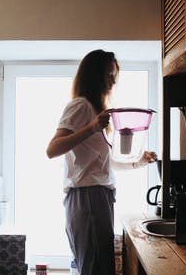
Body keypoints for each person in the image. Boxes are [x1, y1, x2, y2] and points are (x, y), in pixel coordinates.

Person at [46, 49, 157, 275]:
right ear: (94, 76)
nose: (113, 80)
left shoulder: (96, 110)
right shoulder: (80, 106)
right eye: (108, 74)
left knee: (99, 267)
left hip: (97, 196)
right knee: (97, 268)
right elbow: (52, 149)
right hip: (88, 197)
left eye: (114, 74)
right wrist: (91, 128)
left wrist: (138, 162)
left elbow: (103, 164)